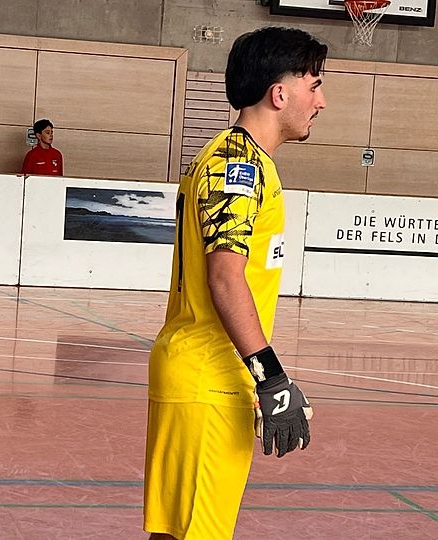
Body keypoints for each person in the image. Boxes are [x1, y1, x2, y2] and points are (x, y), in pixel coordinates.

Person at [143, 27, 327, 540]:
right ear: (279, 93)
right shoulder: (238, 163)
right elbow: (226, 277)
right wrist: (272, 378)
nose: (321, 101)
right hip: (209, 380)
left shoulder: (240, 158)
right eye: (314, 86)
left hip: (205, 377)